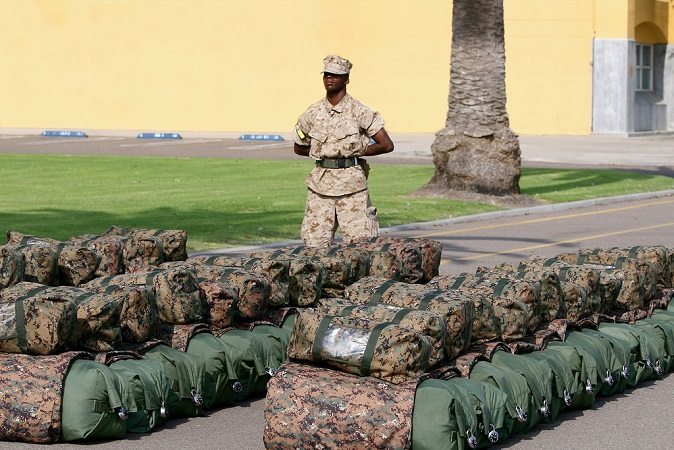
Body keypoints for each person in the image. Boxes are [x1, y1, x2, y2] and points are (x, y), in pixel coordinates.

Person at [293, 54, 394, 247]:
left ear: (346, 79)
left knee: (360, 246)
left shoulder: (360, 111)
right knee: (314, 247)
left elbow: (386, 144)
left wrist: (357, 150)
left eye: (335, 75)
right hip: (320, 186)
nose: (329, 79)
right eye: (326, 75)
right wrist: (323, 151)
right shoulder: (312, 113)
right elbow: (298, 146)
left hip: (352, 188)